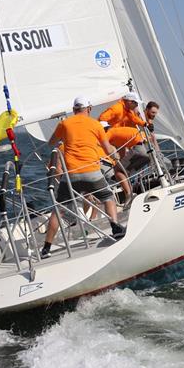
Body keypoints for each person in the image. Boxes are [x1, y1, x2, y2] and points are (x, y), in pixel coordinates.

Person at [43, 96, 126, 257]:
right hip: (92, 173)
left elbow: (51, 143)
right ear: (89, 109)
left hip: (71, 176)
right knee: (107, 196)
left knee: (59, 210)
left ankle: (46, 248)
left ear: (74, 110)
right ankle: (115, 228)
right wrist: (116, 157)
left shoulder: (65, 123)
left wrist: (64, 137)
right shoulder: (95, 124)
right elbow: (108, 149)